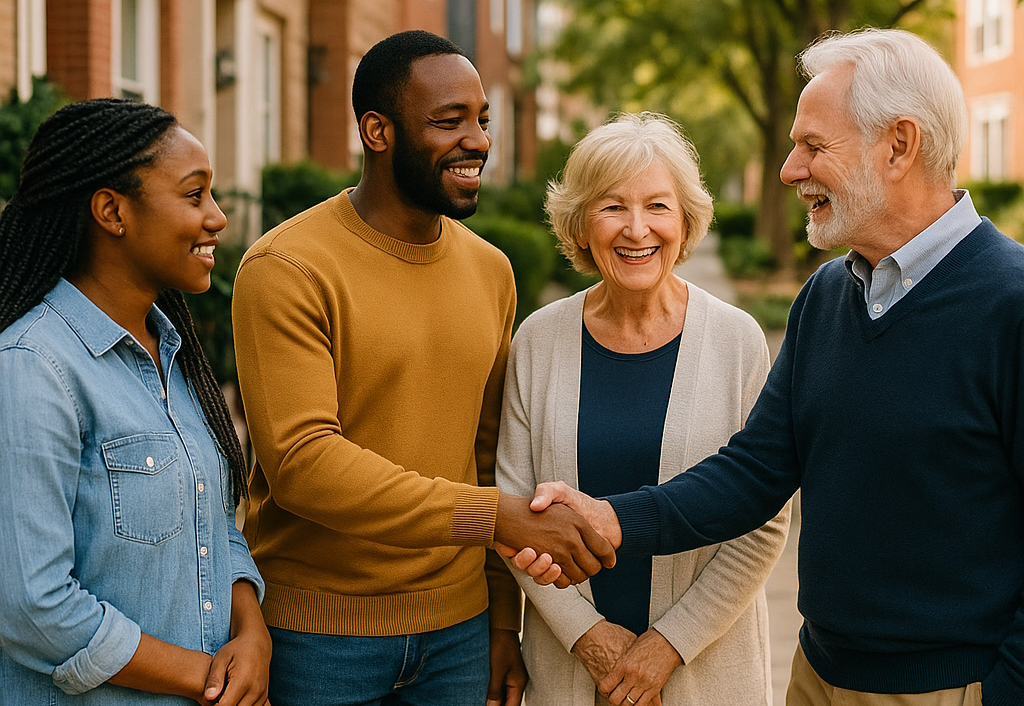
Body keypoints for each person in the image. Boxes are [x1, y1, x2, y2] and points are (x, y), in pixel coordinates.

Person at [512, 28, 1024, 706]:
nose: (789, 170)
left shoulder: (1010, 303)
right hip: (817, 677)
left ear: (898, 146)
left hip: (946, 690)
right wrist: (613, 520)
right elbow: (755, 472)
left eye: (813, 145)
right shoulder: (828, 295)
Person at [230, 30, 612, 706]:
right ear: (377, 131)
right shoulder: (287, 268)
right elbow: (303, 465)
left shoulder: (490, 270)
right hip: (319, 639)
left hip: (457, 636)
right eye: (448, 121)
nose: (478, 141)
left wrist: (502, 619)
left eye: (482, 120)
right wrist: (496, 517)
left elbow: (489, 452)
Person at [495, 112, 791, 706]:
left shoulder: (737, 341)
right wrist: (592, 641)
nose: (637, 229)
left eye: (658, 206)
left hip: (707, 674)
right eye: (612, 207)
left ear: (685, 220)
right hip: (570, 673)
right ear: (581, 224)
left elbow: (764, 520)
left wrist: (665, 647)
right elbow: (513, 511)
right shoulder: (538, 340)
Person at [0, 99, 270, 705]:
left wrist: (252, 634)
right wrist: (205, 679)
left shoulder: (174, 354)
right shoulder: (31, 368)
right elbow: (31, 607)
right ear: (112, 211)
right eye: (194, 195)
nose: (217, 217)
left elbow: (211, 526)